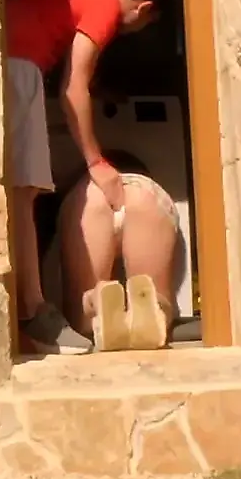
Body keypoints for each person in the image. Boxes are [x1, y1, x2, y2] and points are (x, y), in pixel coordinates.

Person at [4, 0, 178, 354]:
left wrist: (98, 91)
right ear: (145, 9)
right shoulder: (107, 5)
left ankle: (80, 305)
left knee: (16, 191)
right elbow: (72, 87)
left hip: (6, 56)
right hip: (19, 66)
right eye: (145, 25)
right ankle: (33, 313)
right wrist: (97, 162)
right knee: (23, 190)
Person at [59, 149, 185, 352]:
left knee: (80, 317)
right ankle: (155, 307)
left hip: (91, 194)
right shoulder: (142, 180)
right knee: (155, 296)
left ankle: (96, 300)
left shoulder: (80, 185)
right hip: (142, 192)